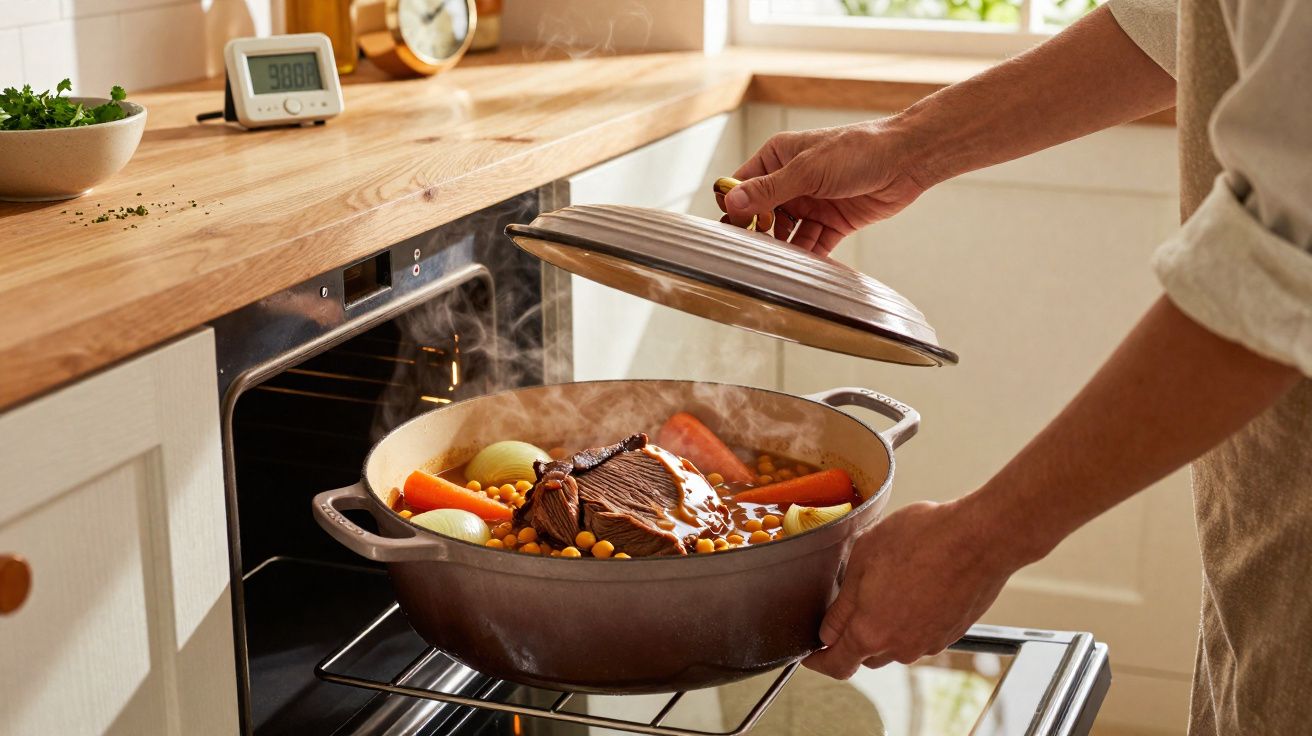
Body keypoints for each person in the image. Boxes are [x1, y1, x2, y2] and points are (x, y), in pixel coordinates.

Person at [718, 1, 1311, 732]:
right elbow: (1177, 21)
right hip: (1264, 505)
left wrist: (980, 541)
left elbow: (1281, 271)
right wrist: (905, 146)